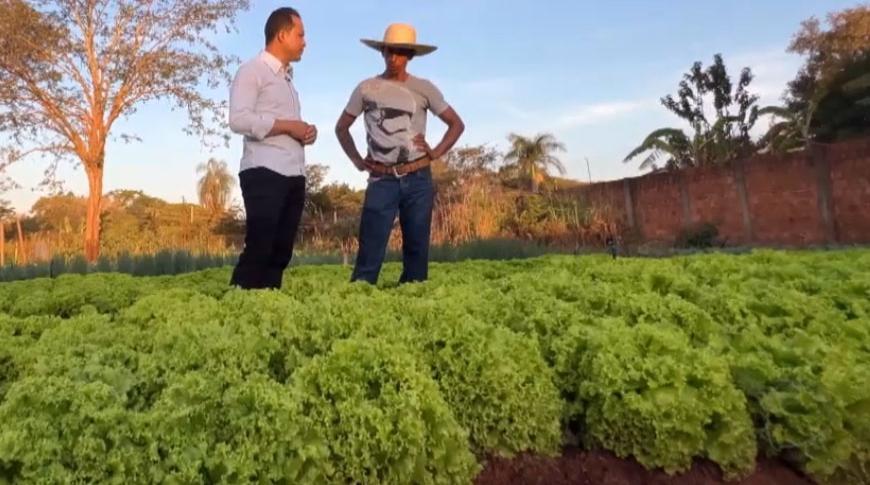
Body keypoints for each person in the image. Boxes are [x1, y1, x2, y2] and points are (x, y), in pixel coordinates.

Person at [335, 23, 464, 285]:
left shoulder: (424, 88)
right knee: (370, 249)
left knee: (417, 250)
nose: (394, 57)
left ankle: (412, 303)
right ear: (382, 51)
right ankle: (359, 302)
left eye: (400, 52)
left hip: (418, 178)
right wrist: (358, 161)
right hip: (381, 179)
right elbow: (341, 128)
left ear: (410, 55)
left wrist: (436, 152)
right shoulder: (366, 88)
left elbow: (456, 124)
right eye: (389, 51)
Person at [228, 7, 316, 289]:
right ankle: (237, 309)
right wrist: (289, 126)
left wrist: (303, 132)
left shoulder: (288, 80)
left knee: (281, 252)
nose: (305, 41)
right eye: (300, 35)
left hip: (293, 173)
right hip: (264, 172)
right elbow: (238, 119)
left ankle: (266, 310)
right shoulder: (252, 71)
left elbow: (284, 125)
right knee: (260, 247)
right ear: (282, 35)